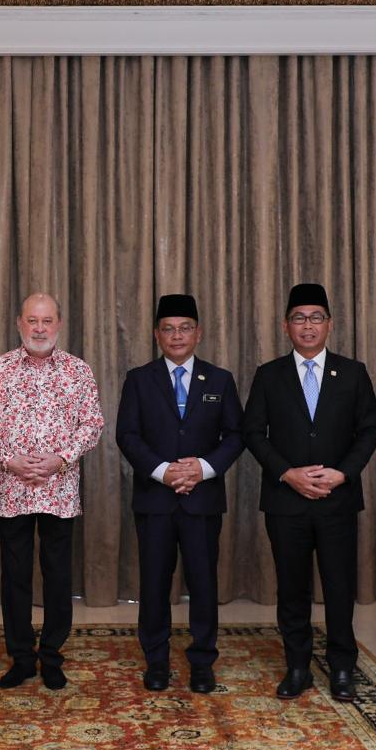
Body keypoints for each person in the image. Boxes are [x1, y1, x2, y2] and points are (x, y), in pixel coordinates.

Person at [242, 283, 376, 703]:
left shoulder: (352, 372)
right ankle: (298, 666)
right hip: (286, 501)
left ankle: (342, 667)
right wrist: (287, 474)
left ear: (329, 324)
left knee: (339, 586)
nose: (308, 326)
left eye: (316, 317)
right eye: (299, 318)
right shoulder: (269, 375)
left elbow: (369, 430)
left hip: (338, 499)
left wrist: (343, 473)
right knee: (292, 588)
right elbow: (253, 432)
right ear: (286, 326)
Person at [0, 293, 103, 691]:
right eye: (32, 320)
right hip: (12, 490)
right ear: (19, 323)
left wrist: (60, 459)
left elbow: (92, 425)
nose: (40, 329)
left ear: (59, 324)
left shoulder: (78, 371)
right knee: (15, 578)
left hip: (59, 492)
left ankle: (52, 657)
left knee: (58, 577)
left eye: (47, 321)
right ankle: (22, 658)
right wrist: (9, 459)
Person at [116, 294, 245, 695]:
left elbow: (236, 435)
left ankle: (202, 662)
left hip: (202, 500)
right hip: (155, 500)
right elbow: (127, 435)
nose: (177, 336)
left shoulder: (220, 379)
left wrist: (201, 469)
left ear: (198, 333)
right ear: (157, 335)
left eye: (185, 328)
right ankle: (156, 661)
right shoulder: (139, 379)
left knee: (204, 583)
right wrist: (164, 472)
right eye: (168, 329)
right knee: (154, 583)